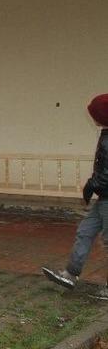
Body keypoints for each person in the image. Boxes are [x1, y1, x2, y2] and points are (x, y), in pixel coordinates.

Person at [42, 94, 108, 300]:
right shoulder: (105, 135)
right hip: (104, 197)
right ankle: (70, 274)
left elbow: (106, 174)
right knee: (85, 231)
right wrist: (93, 185)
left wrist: (92, 185)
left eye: (95, 114)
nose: (92, 117)